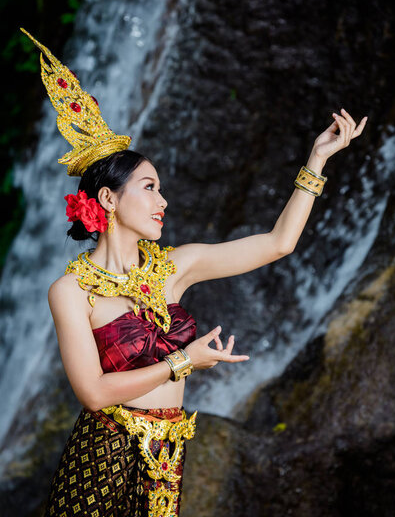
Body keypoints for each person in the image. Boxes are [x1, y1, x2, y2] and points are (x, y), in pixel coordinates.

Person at [21, 27, 367, 517]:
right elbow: (95, 394)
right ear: (108, 199)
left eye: (160, 189)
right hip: (103, 459)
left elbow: (278, 243)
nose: (163, 201)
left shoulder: (178, 265)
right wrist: (185, 362)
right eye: (149, 187)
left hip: (168, 454)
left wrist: (317, 159)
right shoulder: (71, 291)